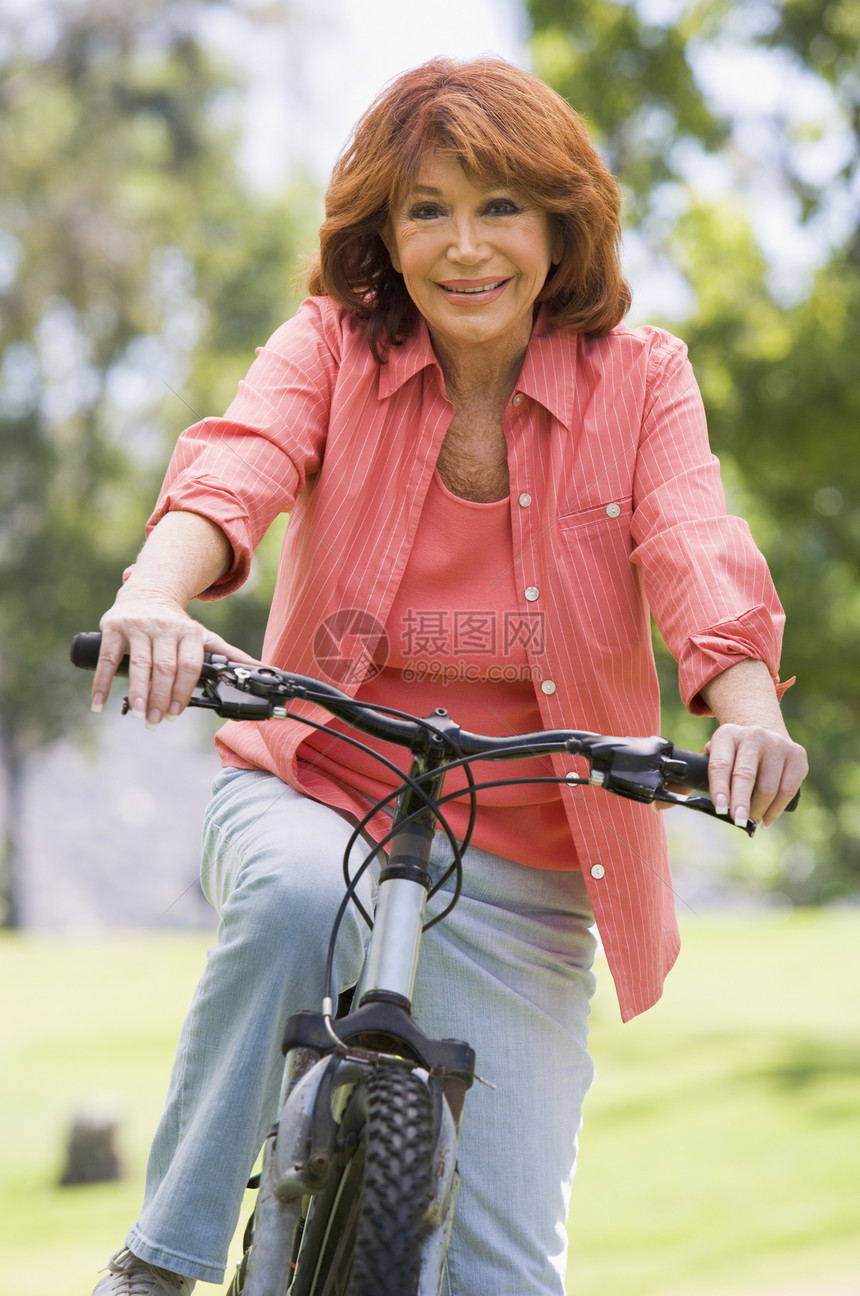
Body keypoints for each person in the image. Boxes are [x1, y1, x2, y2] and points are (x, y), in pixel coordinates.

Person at [89, 57, 807, 1296]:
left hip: (530, 853)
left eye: (500, 208)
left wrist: (744, 715)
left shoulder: (640, 380)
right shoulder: (331, 347)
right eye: (427, 209)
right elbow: (239, 462)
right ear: (385, 230)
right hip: (312, 783)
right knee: (297, 898)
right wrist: (153, 596)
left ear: (557, 225)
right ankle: (163, 1260)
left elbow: (694, 544)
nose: (464, 248)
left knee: (503, 1275)